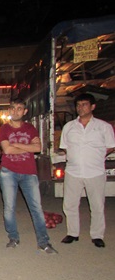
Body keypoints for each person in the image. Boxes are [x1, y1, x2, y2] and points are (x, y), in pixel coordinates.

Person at [0, 99, 57, 254]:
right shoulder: (4, 128)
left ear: (24, 112)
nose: (15, 111)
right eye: (13, 108)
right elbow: (7, 150)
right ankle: (13, 237)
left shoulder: (30, 128)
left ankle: (43, 242)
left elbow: (38, 148)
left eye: (19, 108)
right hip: (8, 172)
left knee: (36, 208)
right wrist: (28, 148)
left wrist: (16, 145)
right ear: (9, 111)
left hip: (29, 172)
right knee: (9, 207)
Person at [59, 93, 115, 248]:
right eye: (78, 105)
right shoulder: (69, 127)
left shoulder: (103, 127)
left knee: (97, 205)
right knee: (70, 204)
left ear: (92, 107)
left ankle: (97, 235)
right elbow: (65, 147)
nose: (80, 108)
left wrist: (97, 155)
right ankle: (72, 233)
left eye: (84, 104)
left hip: (95, 171)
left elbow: (111, 145)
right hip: (73, 171)